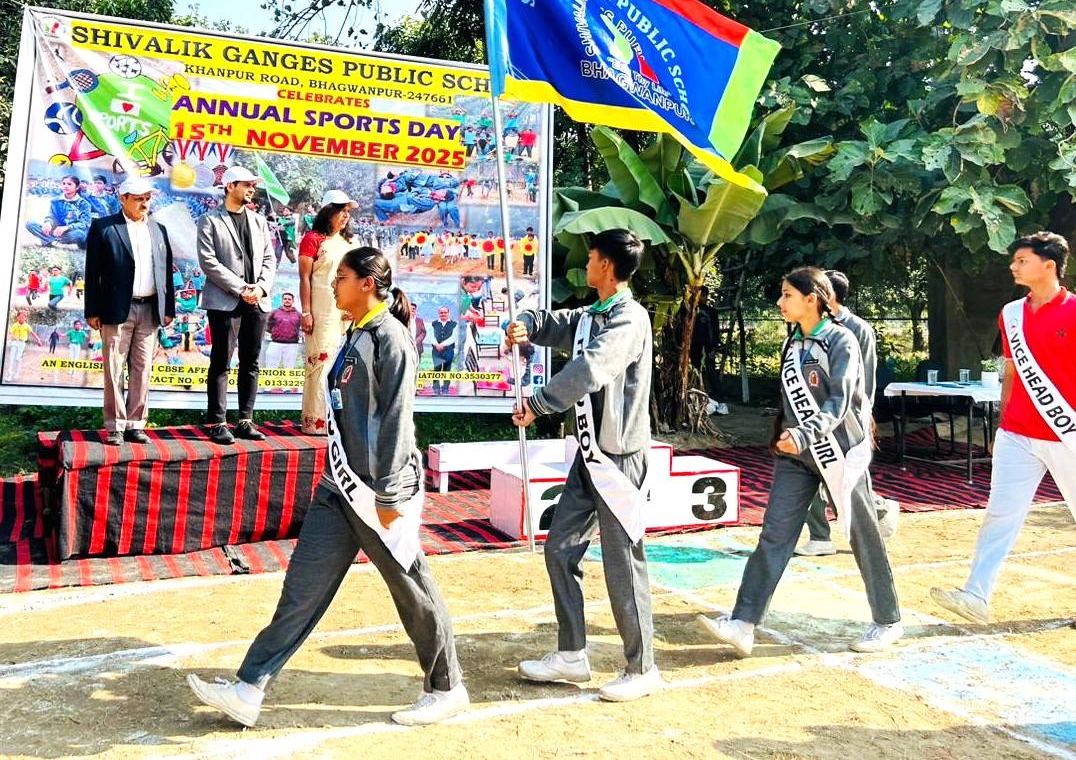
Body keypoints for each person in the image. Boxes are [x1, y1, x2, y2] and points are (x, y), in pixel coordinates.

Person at [187, 247, 468, 727]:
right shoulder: (355, 331)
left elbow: (397, 420)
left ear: (366, 284)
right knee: (302, 589)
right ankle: (250, 687)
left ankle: (446, 687)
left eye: (340, 278)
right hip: (338, 488)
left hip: (379, 492)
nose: (332, 285)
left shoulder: (392, 338)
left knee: (412, 590)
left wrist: (387, 493)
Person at [697, 268, 902, 656]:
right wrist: (788, 436)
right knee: (774, 535)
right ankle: (743, 622)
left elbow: (840, 402)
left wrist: (805, 434)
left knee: (862, 535)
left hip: (840, 453)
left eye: (787, 294)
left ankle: (888, 620)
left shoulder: (841, 340)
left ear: (812, 299)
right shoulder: (793, 342)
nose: (780, 302)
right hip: (796, 457)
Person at [506, 228, 660, 702]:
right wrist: (525, 323)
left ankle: (642, 667)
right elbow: (554, 322)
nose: (587, 264)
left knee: (622, 562)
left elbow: (591, 367)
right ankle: (572, 653)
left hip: (619, 459)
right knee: (560, 549)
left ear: (606, 266)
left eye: (591, 257)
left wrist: (539, 402)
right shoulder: (593, 314)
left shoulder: (628, 319)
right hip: (589, 458)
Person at [931, 232, 1076, 624]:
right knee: (1000, 514)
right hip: (1018, 434)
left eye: (1022, 260)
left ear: (1049, 266)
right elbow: (1011, 373)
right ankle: (975, 595)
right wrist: (1000, 425)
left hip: (1067, 434)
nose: (1013, 266)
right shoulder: (1011, 313)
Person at [796, 270, 900, 556]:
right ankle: (819, 536)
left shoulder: (858, 329)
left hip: (846, 417)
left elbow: (865, 376)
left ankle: (879, 509)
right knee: (809, 470)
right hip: (813, 413)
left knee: (845, 476)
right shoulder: (809, 327)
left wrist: (863, 416)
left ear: (828, 295)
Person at [84, 175, 176, 445]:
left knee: (143, 368)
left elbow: (166, 272)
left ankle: (136, 424)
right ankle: (115, 425)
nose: (144, 203)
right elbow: (92, 272)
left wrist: (168, 308)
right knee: (114, 368)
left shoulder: (159, 229)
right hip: (114, 309)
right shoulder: (104, 227)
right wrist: (92, 311)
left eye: (147, 198)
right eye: (138, 199)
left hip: (150, 309)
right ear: (122, 198)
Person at [197, 166, 277, 444]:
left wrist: (260, 287)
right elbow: (208, 262)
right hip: (224, 301)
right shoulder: (209, 220)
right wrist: (242, 288)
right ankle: (217, 422)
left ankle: (245, 420)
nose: (252, 189)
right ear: (230, 186)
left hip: (257, 300)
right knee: (221, 361)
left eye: (253, 185)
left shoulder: (259, 221)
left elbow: (270, 258)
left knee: (251, 362)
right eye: (246, 184)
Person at [298, 190, 358, 434]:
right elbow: (305, 278)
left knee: (344, 366)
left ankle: (338, 422)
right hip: (322, 310)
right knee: (320, 362)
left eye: (348, 212)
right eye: (341, 211)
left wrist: (355, 307)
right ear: (328, 211)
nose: (345, 216)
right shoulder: (313, 239)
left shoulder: (350, 243)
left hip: (347, 312)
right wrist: (306, 312)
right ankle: (315, 422)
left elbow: (357, 277)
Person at [25, 175, 92, 248]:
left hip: (72, 232)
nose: (65, 186)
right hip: (57, 232)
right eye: (64, 184)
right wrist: (48, 223)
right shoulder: (55, 201)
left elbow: (85, 223)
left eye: (69, 184)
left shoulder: (84, 204)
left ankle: (49, 240)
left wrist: (67, 227)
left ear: (77, 187)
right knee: (30, 224)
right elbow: (51, 216)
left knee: (80, 234)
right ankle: (53, 241)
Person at [265, 292, 303, 376]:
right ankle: (270, 383)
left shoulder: (298, 314)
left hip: (292, 345)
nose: (287, 301)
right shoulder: (274, 312)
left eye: (289, 299)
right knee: (271, 367)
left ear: (293, 301)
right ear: (282, 300)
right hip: (275, 343)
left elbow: (303, 328)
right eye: (285, 299)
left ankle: (288, 384)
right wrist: (276, 332)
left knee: (289, 368)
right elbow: (267, 325)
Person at [6, 310, 42, 380]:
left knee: (17, 359)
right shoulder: (15, 325)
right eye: (19, 317)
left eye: (23, 317)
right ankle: (9, 375)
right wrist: (12, 337)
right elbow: (10, 333)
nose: (21, 318)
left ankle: (16, 373)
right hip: (14, 342)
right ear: (17, 317)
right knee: (11, 358)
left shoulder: (26, 326)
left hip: (21, 344)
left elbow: (32, 333)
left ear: (25, 318)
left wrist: (38, 340)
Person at [430, 306, 457, 396]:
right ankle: (436, 389)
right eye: (441, 313)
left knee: (447, 369)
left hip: (448, 351)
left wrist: (443, 344)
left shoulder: (454, 324)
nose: (443, 314)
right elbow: (431, 336)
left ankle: (445, 389)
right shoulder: (434, 324)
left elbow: (453, 337)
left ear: (448, 313)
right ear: (439, 313)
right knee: (437, 369)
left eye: (445, 312)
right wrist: (436, 344)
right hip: (436, 351)